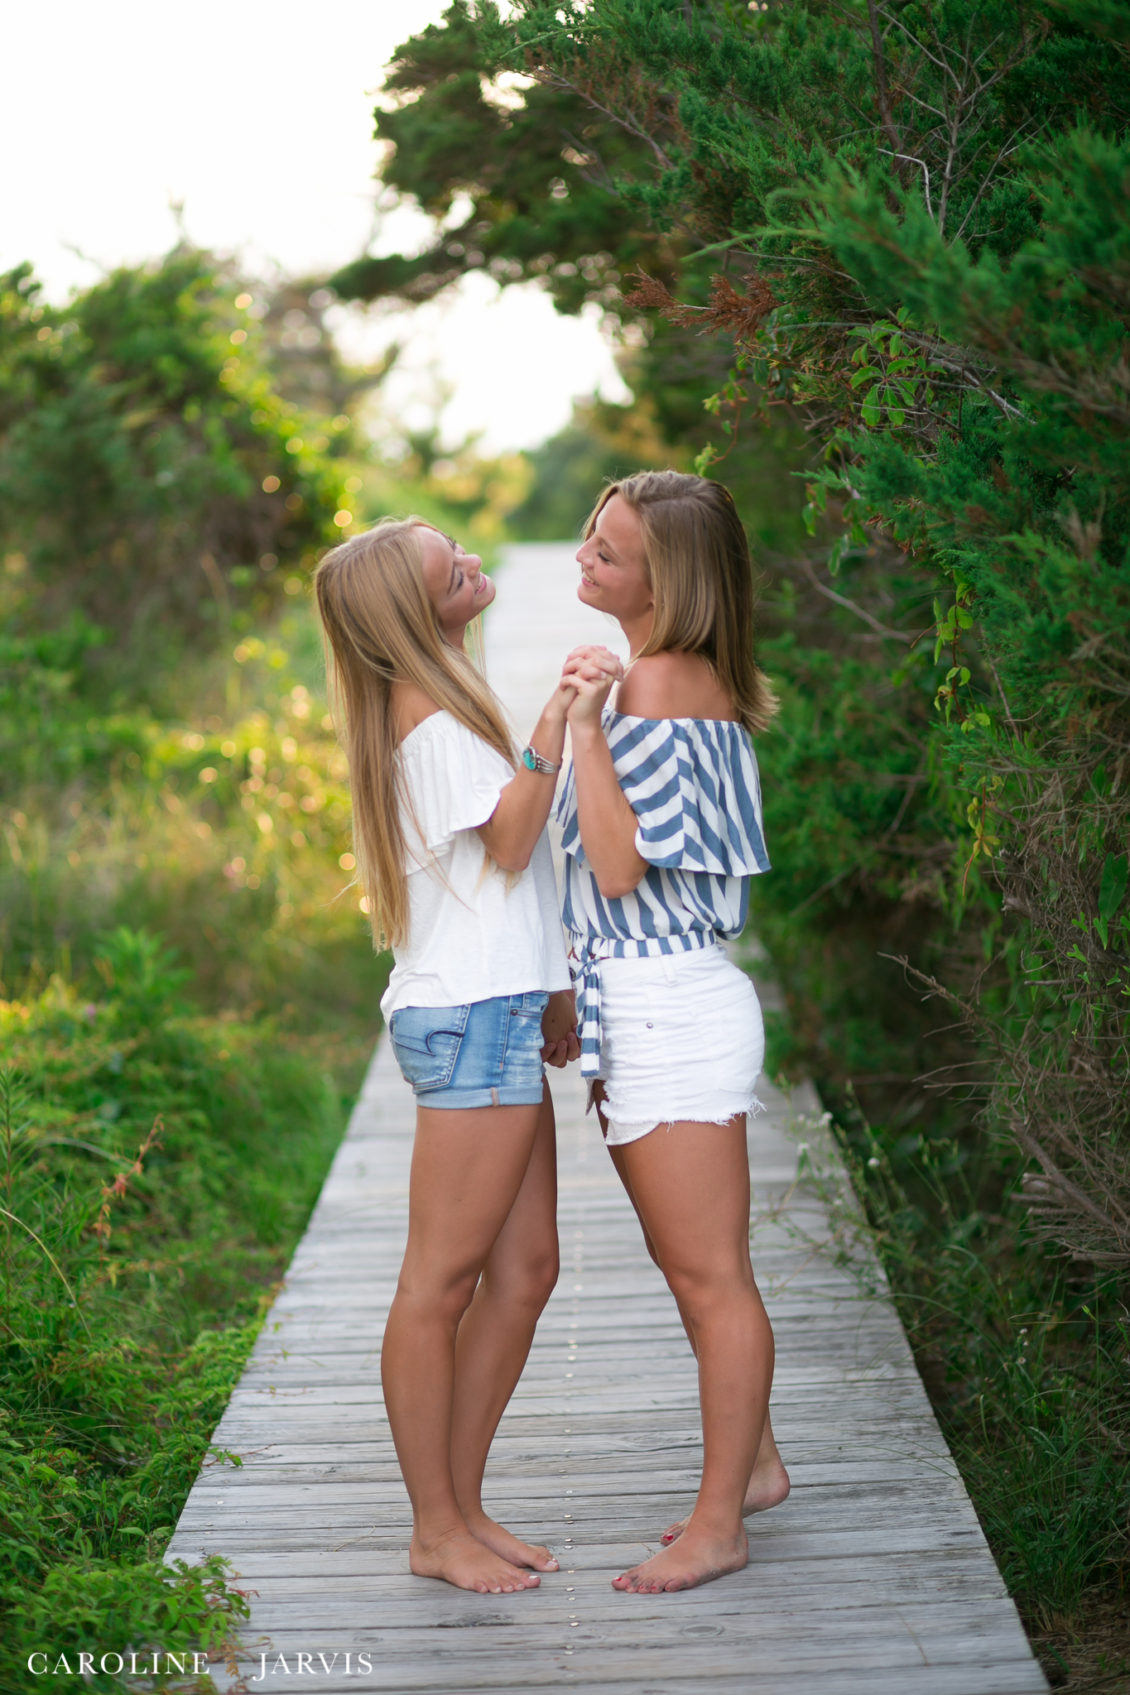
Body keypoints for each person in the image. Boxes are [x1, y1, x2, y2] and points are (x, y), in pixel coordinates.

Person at [314, 519, 593, 1596]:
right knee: (438, 1285)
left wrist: (553, 988)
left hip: (504, 1007)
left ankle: (464, 1507)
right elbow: (517, 837)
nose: (472, 564)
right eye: (451, 568)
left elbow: (507, 878)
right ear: (411, 610)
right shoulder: (425, 721)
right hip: (469, 1019)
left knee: (523, 1272)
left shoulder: (445, 703)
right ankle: (434, 1528)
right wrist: (556, 721)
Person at [555, 470, 791, 1593]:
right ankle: (754, 1464)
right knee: (694, 1263)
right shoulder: (684, 676)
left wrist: (584, 729)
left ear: (669, 579)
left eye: (606, 553)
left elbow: (613, 865)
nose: (581, 563)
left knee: (708, 1279)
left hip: (669, 1001)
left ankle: (720, 1525)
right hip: (648, 994)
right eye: (588, 541)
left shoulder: (652, 683)